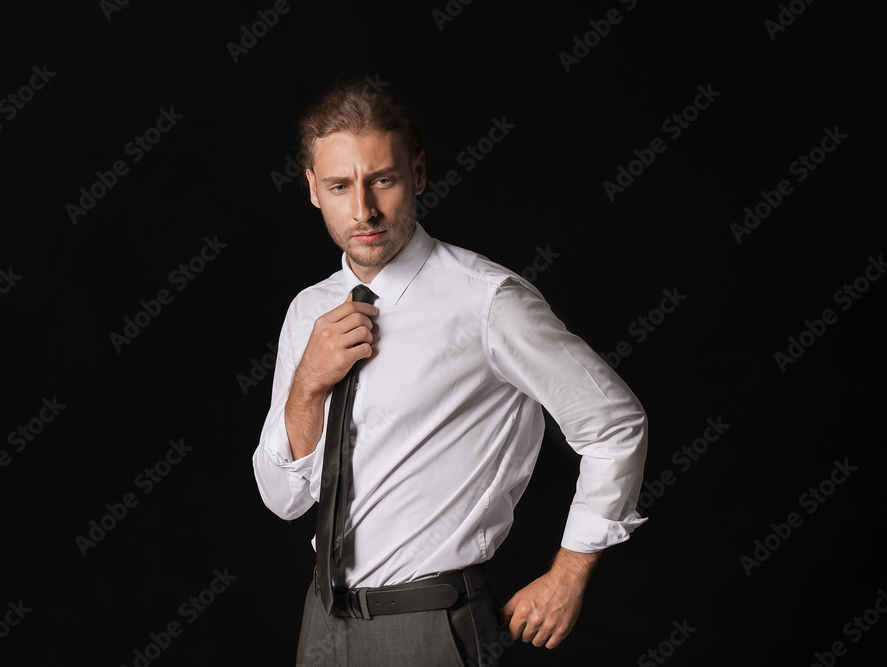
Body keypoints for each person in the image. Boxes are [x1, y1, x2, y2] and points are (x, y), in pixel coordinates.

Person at [252, 79, 648, 666]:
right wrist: (309, 384)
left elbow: (615, 425)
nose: (363, 210)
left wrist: (568, 574)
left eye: (381, 180)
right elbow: (283, 498)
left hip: (429, 627)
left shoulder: (486, 301)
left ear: (418, 173)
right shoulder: (310, 310)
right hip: (323, 622)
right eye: (340, 186)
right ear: (313, 190)